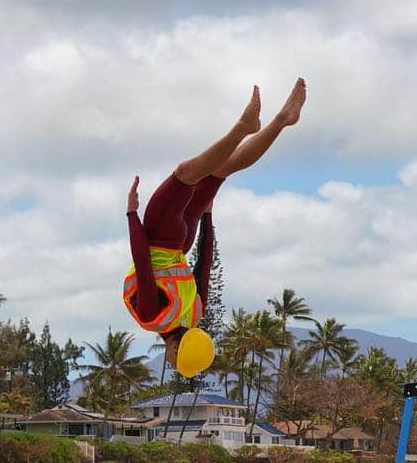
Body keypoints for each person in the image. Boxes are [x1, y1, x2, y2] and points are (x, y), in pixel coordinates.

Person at [123, 79, 306, 376]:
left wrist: (206, 218)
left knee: (222, 170)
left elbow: (204, 265)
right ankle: (242, 128)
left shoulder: (194, 314)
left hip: (185, 238)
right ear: (175, 349)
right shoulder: (152, 317)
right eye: (174, 362)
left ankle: (282, 120)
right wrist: (132, 215)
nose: (170, 363)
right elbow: (143, 265)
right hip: (161, 236)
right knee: (185, 173)